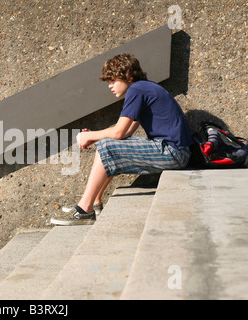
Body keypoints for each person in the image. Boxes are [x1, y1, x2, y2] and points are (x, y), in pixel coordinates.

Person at [51, 53, 193, 226]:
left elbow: (118, 133)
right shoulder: (144, 88)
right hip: (175, 152)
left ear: (129, 77)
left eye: (113, 81)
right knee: (109, 146)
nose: (110, 86)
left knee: (107, 146)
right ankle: (94, 202)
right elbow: (124, 134)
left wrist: (89, 135)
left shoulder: (137, 90)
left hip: (173, 152)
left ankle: (84, 210)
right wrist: (95, 136)